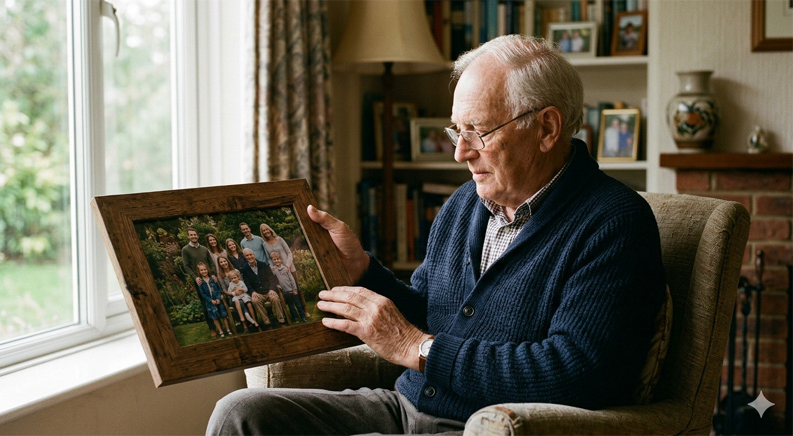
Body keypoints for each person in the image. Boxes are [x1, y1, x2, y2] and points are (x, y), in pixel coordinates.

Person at [208, 34, 665, 435]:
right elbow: (431, 312)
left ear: (546, 128)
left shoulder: (614, 223)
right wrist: (363, 271)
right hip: (406, 408)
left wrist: (418, 349)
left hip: (489, 426)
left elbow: (576, 371)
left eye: (478, 132)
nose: (460, 153)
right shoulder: (466, 203)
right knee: (241, 413)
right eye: (456, 131)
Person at [259, 223, 309, 318]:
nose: (266, 232)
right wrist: (272, 267)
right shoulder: (265, 244)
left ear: (270, 229)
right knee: (284, 290)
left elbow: (289, 252)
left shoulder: (280, 239)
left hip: (288, 268)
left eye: (267, 229)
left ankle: (304, 310)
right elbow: (269, 259)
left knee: (297, 288)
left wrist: (288, 265)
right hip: (278, 271)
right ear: (262, 233)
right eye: (263, 231)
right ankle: (291, 313)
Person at [180, 228, 218, 338]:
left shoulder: (204, 249)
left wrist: (214, 274)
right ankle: (212, 328)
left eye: (195, 234)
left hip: (210, 279)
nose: (193, 236)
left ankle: (224, 324)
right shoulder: (185, 250)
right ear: (188, 237)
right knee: (206, 304)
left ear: (197, 236)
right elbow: (186, 266)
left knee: (218, 299)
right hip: (200, 282)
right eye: (191, 235)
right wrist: (195, 277)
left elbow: (211, 263)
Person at [239, 248, 284, 327]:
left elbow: (272, 279)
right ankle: (267, 323)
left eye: (250, 254)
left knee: (275, 298)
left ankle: (281, 321)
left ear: (254, 255)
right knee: (255, 300)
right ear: (245, 257)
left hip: (269, 290)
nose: (249, 257)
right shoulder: (245, 269)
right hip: (258, 293)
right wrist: (252, 292)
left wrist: (272, 289)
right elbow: (247, 284)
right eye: (247, 255)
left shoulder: (263, 265)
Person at [217, 256, 257, 332]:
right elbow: (224, 290)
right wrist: (233, 293)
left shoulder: (236, 271)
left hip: (242, 293)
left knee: (248, 301)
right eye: (221, 262)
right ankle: (245, 325)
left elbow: (242, 283)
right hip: (232, 297)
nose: (223, 263)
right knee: (240, 302)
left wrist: (240, 291)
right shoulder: (220, 275)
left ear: (227, 261)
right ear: (219, 264)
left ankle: (254, 322)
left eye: (224, 261)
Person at [269, 252, 307, 323]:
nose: (276, 261)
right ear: (272, 261)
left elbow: (292, 280)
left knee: (298, 305)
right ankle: (295, 318)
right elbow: (274, 280)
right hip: (285, 292)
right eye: (274, 260)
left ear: (280, 260)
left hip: (292, 290)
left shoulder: (286, 268)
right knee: (291, 306)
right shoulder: (274, 271)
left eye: (278, 259)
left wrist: (294, 289)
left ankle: (303, 317)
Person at [195, 262, 231, 338]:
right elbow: (203, 294)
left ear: (207, 270)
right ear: (199, 272)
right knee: (215, 317)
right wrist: (210, 300)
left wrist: (218, 298)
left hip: (218, 300)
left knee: (223, 315)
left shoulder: (213, 279)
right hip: (210, 303)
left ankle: (228, 329)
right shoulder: (200, 282)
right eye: (201, 270)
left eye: (205, 269)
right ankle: (221, 331)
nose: (203, 271)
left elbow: (218, 289)